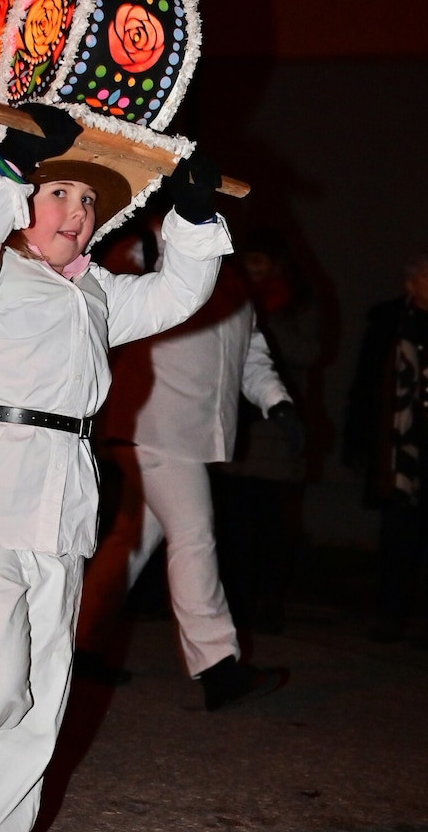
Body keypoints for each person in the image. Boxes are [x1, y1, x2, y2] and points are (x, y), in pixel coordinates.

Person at [0, 102, 233, 832]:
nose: (77, 210)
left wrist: (195, 217)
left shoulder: (100, 293)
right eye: (59, 192)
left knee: (40, 696)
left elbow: (177, 294)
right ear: (24, 203)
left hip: (60, 504)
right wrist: (6, 162)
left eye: (90, 200)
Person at [74, 209, 297, 710]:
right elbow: (98, 307)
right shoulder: (143, 250)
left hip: (187, 431)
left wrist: (275, 400)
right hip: (153, 424)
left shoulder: (228, 273)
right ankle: (218, 667)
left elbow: (251, 351)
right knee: (194, 534)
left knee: (131, 541)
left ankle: (78, 645)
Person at [210, 228, 322, 637]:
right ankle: (237, 604)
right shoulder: (230, 298)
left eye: (263, 260)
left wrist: (268, 324)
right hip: (238, 427)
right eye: (250, 258)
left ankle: (270, 603)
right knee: (235, 523)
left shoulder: (297, 303)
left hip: (276, 430)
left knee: (272, 524)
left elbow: (308, 353)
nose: (255, 267)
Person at [341, 250, 428, 649]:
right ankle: (391, 614)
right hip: (401, 446)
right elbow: (367, 383)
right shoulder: (389, 322)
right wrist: (357, 439)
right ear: (410, 284)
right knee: (399, 534)